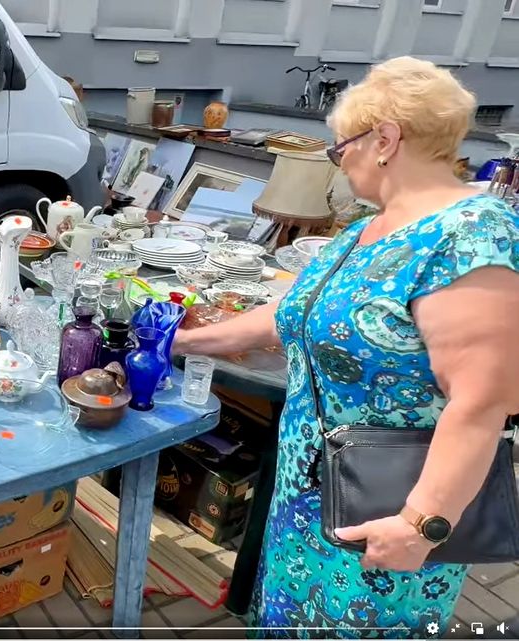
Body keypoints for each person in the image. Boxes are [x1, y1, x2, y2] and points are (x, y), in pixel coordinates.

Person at [174, 56, 519, 637]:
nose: (339, 162)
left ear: (385, 139)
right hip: (307, 495)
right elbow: (288, 318)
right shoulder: (365, 229)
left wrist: (420, 523)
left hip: (385, 512)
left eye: (340, 148)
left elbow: (485, 399)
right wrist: (181, 341)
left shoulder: (473, 234)